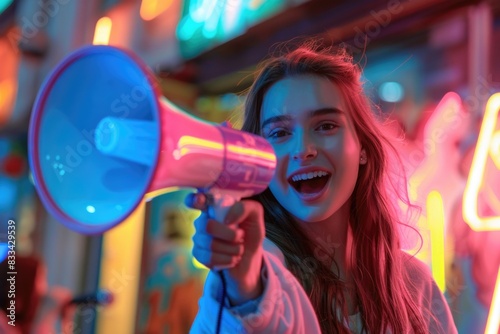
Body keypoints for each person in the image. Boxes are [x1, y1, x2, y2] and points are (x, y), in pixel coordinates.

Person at [186, 39, 458, 333]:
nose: (303, 149)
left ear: (362, 146)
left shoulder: (415, 285)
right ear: (260, 159)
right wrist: (244, 295)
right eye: (279, 132)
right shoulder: (255, 277)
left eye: (326, 126)